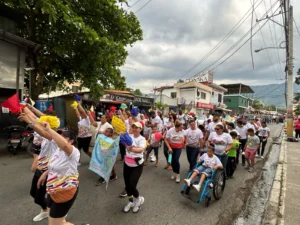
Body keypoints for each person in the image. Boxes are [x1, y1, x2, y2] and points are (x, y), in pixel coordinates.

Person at [18, 108, 59, 222]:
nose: (42, 123)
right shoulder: (45, 135)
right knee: (33, 193)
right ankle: (47, 210)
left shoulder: (54, 136)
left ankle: (56, 213)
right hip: (40, 169)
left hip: (48, 172)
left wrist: (29, 122)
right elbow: (36, 120)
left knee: (42, 197)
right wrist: (26, 109)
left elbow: (42, 131)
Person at [37, 123, 80, 225]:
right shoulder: (57, 150)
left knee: (56, 223)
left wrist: (49, 129)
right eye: (60, 135)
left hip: (64, 191)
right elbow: (54, 166)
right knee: (54, 221)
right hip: (52, 190)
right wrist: (45, 174)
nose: (60, 137)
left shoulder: (73, 152)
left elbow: (65, 145)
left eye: (64, 137)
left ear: (71, 141)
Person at [123, 122, 146, 213]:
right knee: (127, 186)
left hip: (137, 164)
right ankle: (131, 201)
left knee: (132, 185)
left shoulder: (142, 139)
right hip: (127, 163)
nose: (135, 129)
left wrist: (131, 149)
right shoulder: (129, 136)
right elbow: (124, 143)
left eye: (137, 127)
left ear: (140, 129)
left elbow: (141, 149)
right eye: (134, 127)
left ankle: (138, 199)